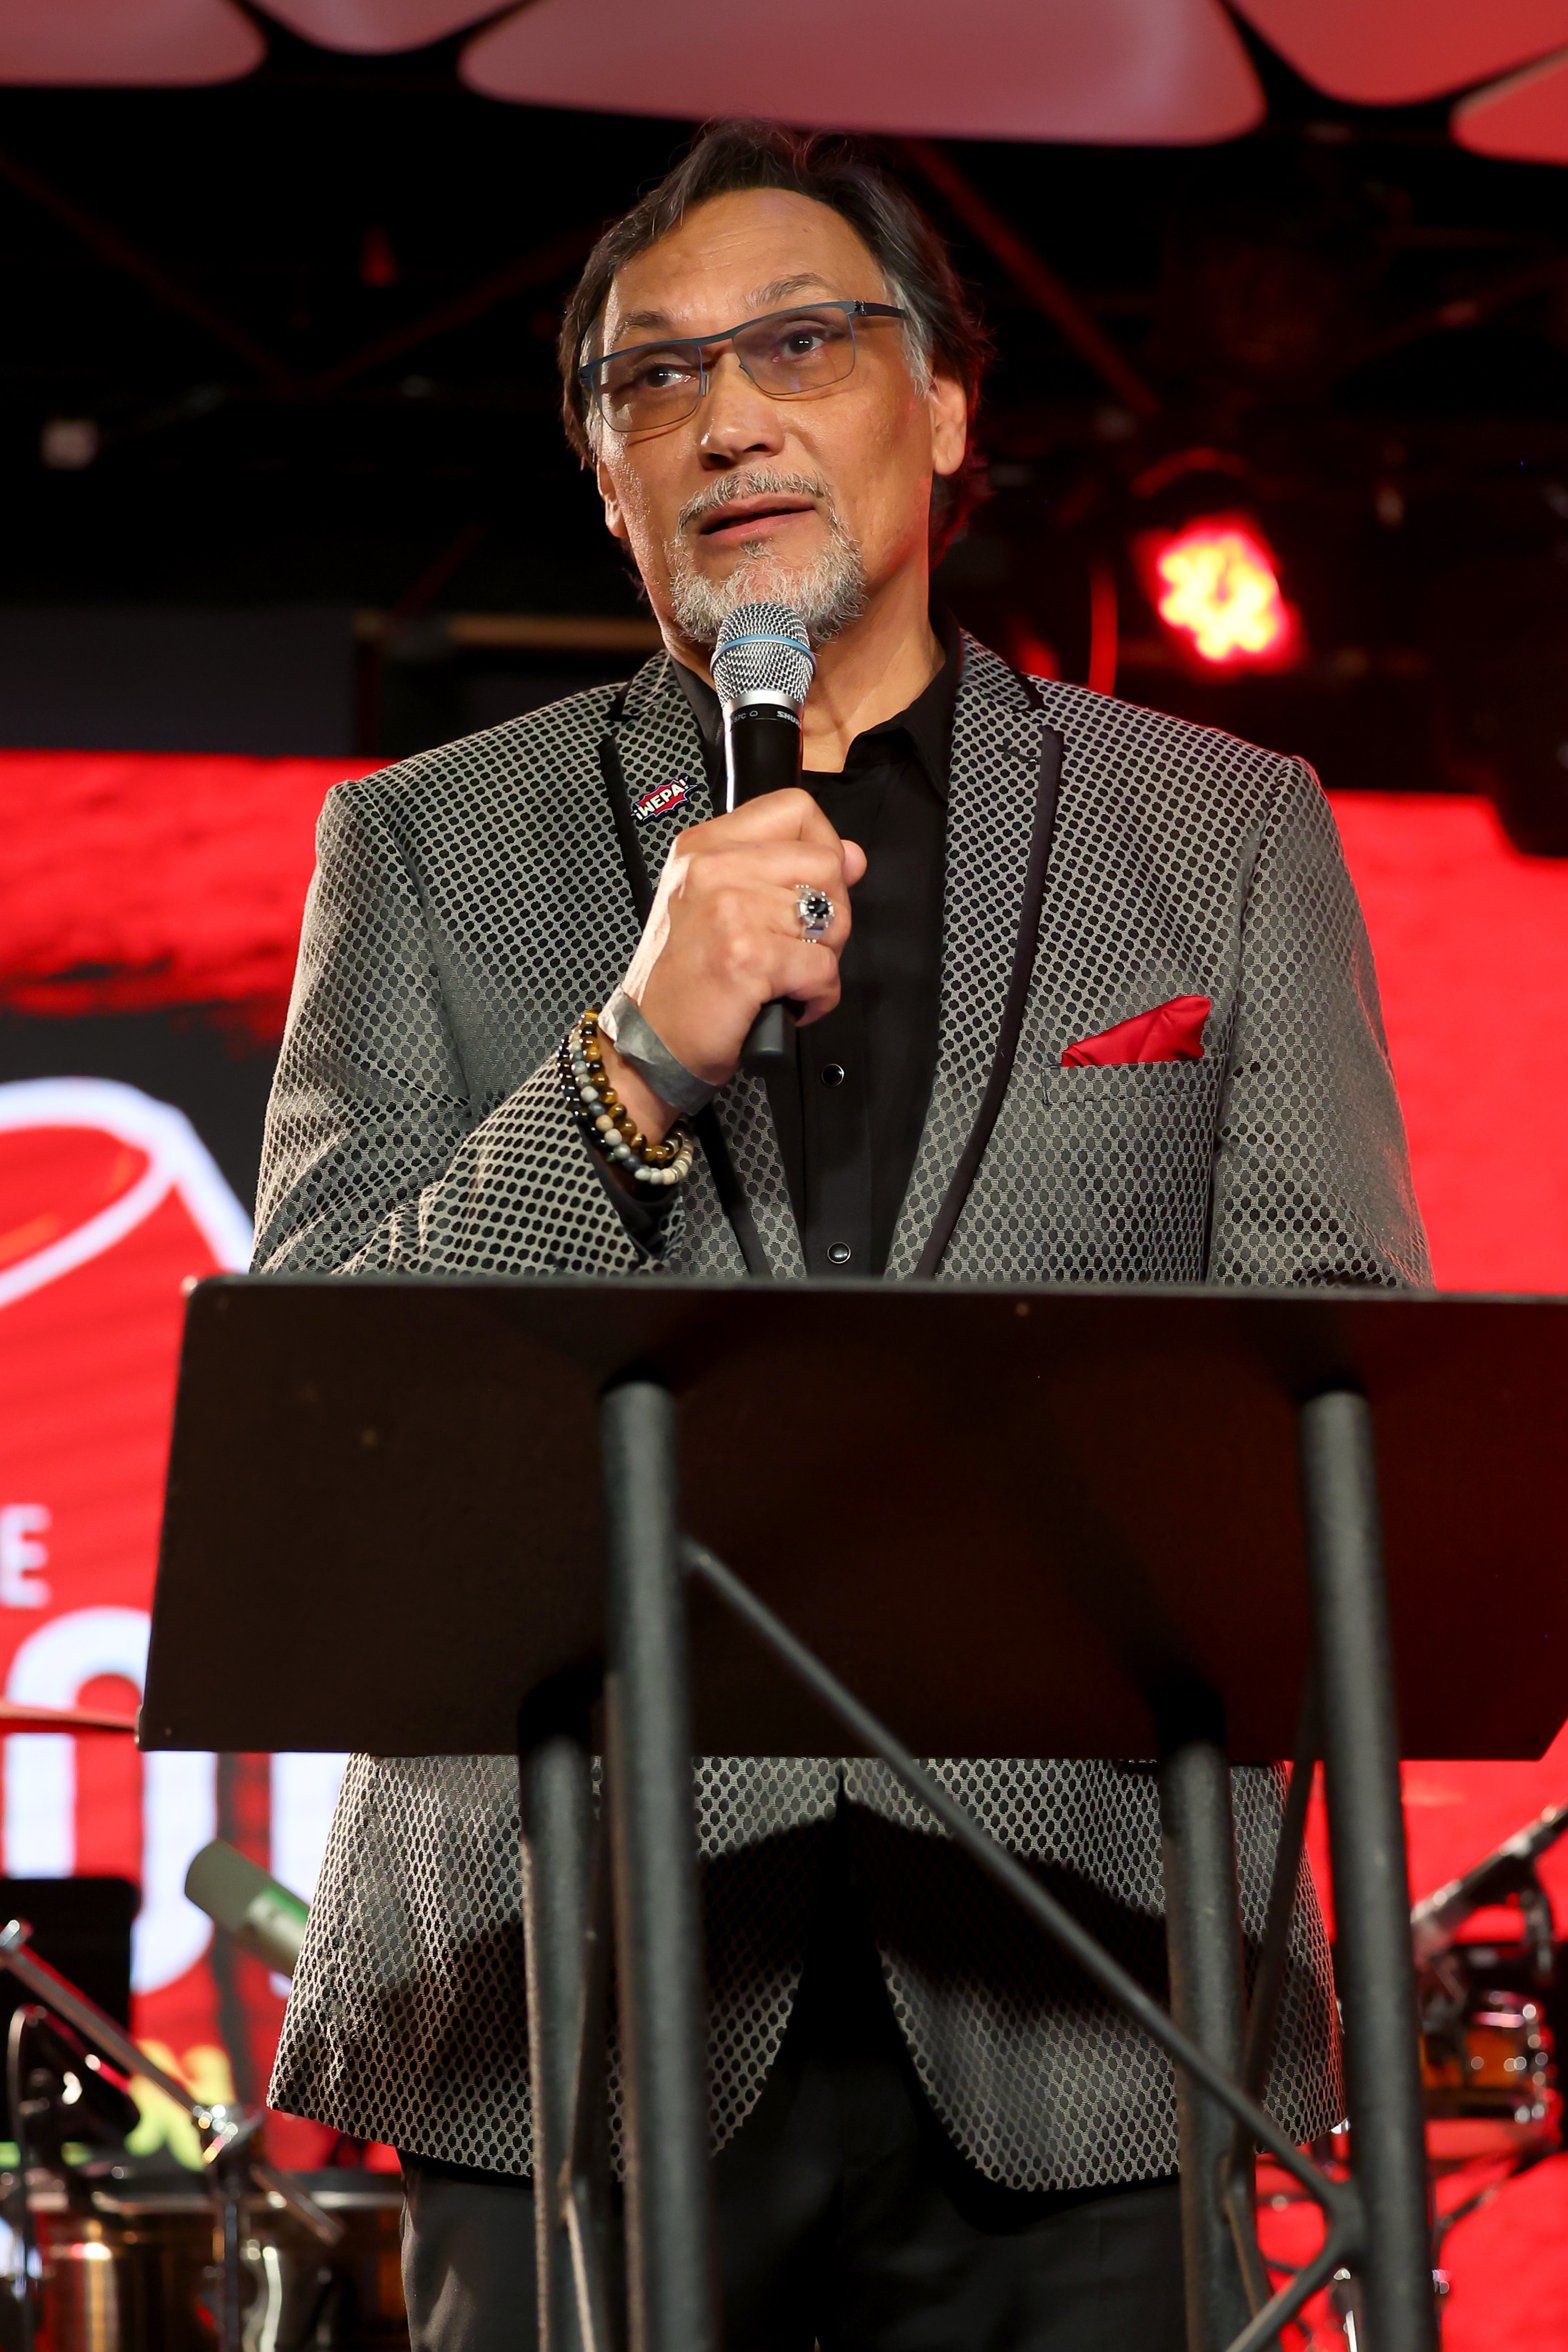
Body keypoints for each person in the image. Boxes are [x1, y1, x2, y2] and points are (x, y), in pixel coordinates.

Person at [256, 120, 1429, 2352]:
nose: (727, 416)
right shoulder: (425, 844)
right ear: (607, 476)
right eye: (654, 377)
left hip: (1088, 1988)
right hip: (568, 1991)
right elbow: (324, 1399)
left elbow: (1329, 1380)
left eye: (799, 343)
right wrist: (628, 1068)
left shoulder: (1218, 831)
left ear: (950, 408)